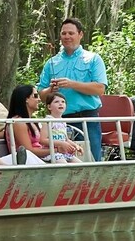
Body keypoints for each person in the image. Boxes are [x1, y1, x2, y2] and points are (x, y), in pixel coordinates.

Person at [37, 18, 108, 162]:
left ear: (80, 34)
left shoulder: (93, 59)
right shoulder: (51, 63)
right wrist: (50, 89)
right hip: (60, 121)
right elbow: (42, 96)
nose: (67, 37)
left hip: (87, 119)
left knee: (92, 160)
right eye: (64, 33)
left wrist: (72, 84)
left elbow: (100, 89)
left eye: (71, 33)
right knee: (63, 161)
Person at [7, 84, 50, 161]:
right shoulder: (18, 122)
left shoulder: (31, 121)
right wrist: (55, 151)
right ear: (26, 99)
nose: (39, 99)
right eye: (35, 96)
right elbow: (28, 151)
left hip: (39, 158)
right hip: (27, 161)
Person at [39, 92, 82, 163]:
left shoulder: (63, 121)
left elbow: (66, 139)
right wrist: (61, 143)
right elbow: (43, 140)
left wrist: (76, 146)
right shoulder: (48, 120)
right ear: (49, 107)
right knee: (63, 164)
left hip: (63, 152)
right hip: (52, 152)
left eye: (63, 102)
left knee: (80, 165)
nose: (60, 103)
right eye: (56, 102)